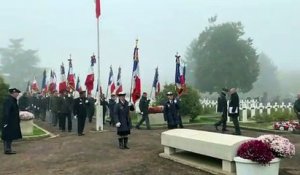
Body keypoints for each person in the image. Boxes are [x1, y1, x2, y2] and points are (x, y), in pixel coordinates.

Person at [1, 88, 22, 154]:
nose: (18, 94)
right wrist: (6, 122)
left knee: (9, 135)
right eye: (17, 93)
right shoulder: (9, 100)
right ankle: (7, 149)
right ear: (13, 93)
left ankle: (8, 149)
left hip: (11, 121)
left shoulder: (12, 100)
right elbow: (6, 112)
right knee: (8, 136)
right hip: (9, 121)